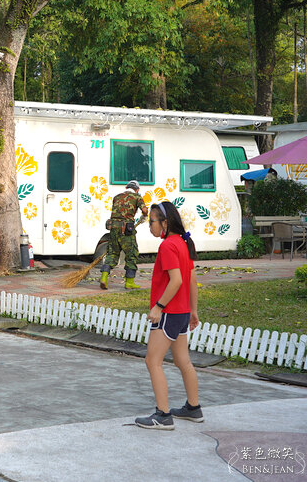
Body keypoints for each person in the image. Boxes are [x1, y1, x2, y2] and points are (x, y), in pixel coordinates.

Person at [134, 201, 201, 430]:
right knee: (183, 361)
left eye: (151, 222)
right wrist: (193, 311)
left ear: (164, 223)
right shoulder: (183, 243)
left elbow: (177, 280)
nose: (149, 226)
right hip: (181, 313)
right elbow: (191, 280)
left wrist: (158, 306)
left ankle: (163, 415)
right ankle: (193, 408)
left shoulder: (168, 246)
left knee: (152, 360)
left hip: (169, 313)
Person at [99, 180, 148, 290]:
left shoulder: (116, 197)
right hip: (126, 230)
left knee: (112, 253)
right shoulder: (137, 197)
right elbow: (144, 210)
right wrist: (144, 215)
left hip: (113, 228)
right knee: (131, 254)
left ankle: (104, 277)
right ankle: (129, 282)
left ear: (127, 187)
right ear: (137, 189)